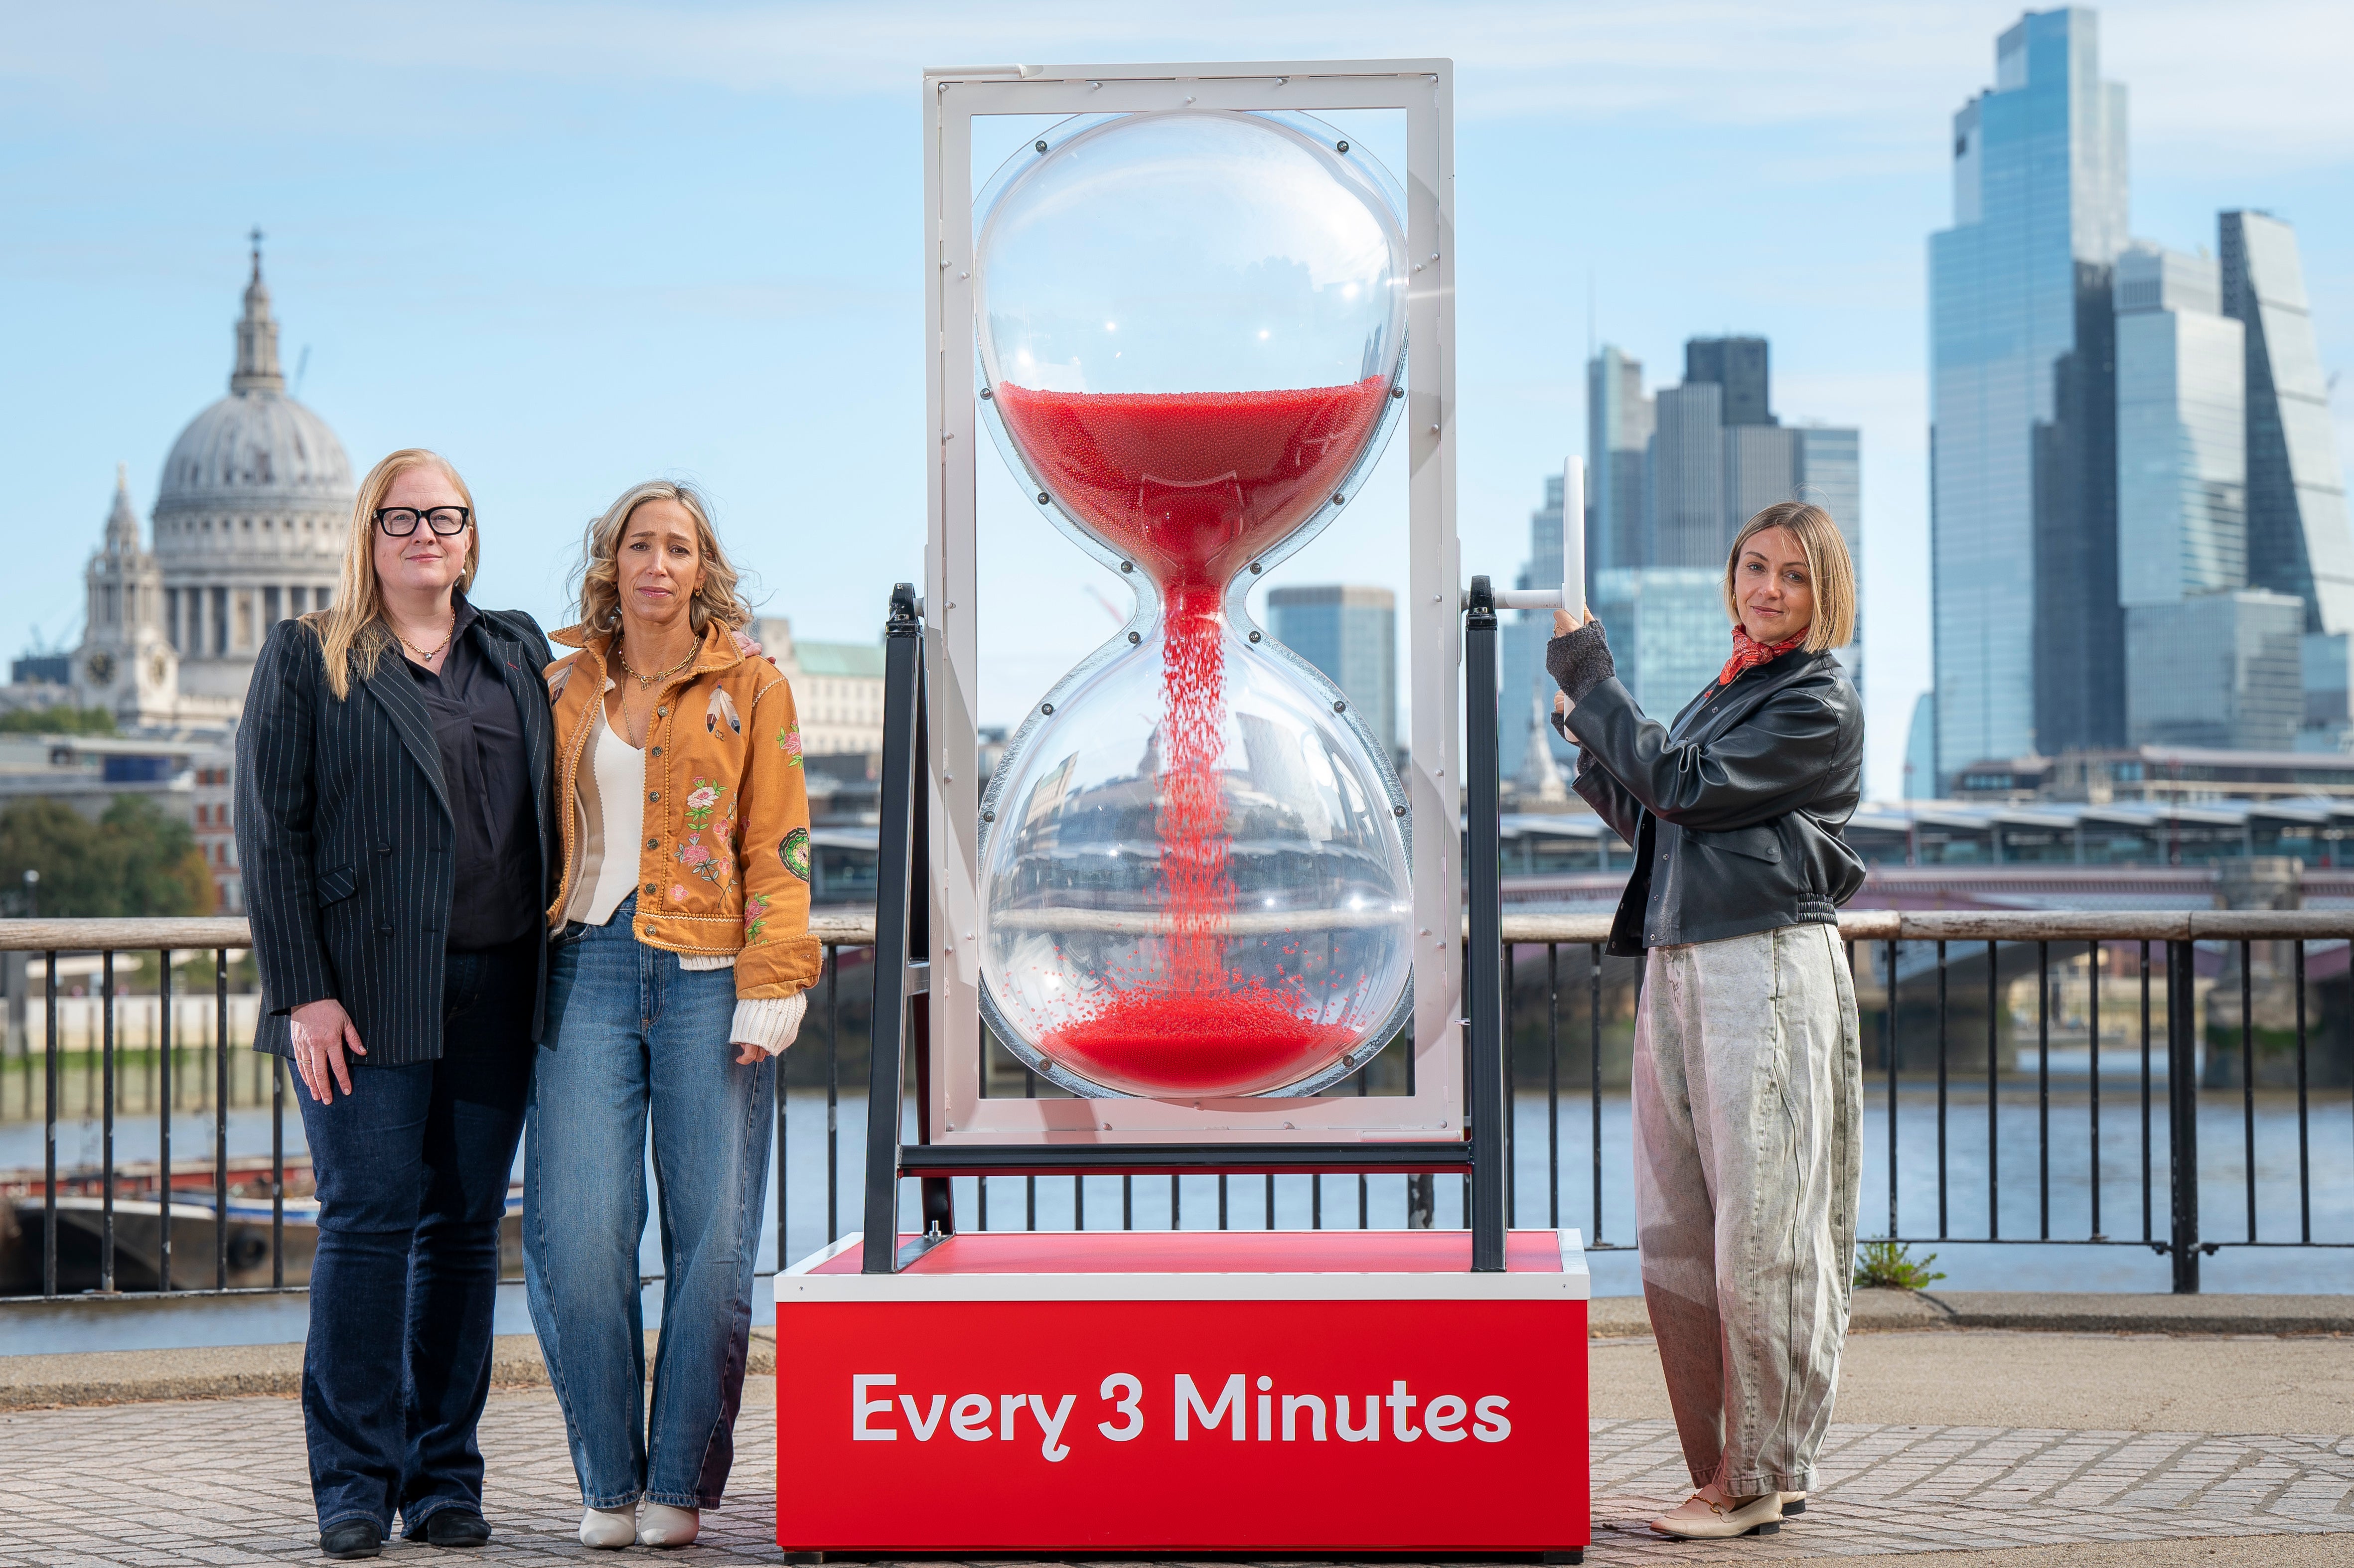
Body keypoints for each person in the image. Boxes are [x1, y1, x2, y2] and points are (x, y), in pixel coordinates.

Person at [238, 448, 557, 1560]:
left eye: (445, 516)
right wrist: (304, 992)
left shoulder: (516, 648)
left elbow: (628, 685)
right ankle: (353, 1486)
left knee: (463, 1234)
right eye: (402, 516)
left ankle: (444, 1479)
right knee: (368, 1225)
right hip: (363, 995)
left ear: (472, 536)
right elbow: (270, 832)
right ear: (367, 535)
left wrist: (729, 645)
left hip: (500, 981)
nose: (426, 533)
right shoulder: (311, 654)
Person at [1546, 500, 1865, 1543]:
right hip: (1685, 959)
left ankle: (1757, 1473)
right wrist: (1594, 745)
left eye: (1794, 574)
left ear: (1825, 593)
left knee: (1762, 1231)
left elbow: (1685, 787)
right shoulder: (1733, 689)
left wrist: (1595, 679)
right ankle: (1735, 1463)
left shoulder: (1817, 698)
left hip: (1760, 964)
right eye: (1754, 566)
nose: (1768, 588)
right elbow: (1664, 820)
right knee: (1681, 1231)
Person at [524, 480, 820, 1550]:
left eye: (679, 547)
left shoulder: (753, 684)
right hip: (581, 968)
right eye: (640, 545)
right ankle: (607, 1480)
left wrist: (775, 976)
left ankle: (681, 1480)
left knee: (713, 1240)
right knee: (579, 1234)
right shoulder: (561, 683)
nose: (658, 563)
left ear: (703, 568)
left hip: (709, 976)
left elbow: (778, 839)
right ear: (611, 562)